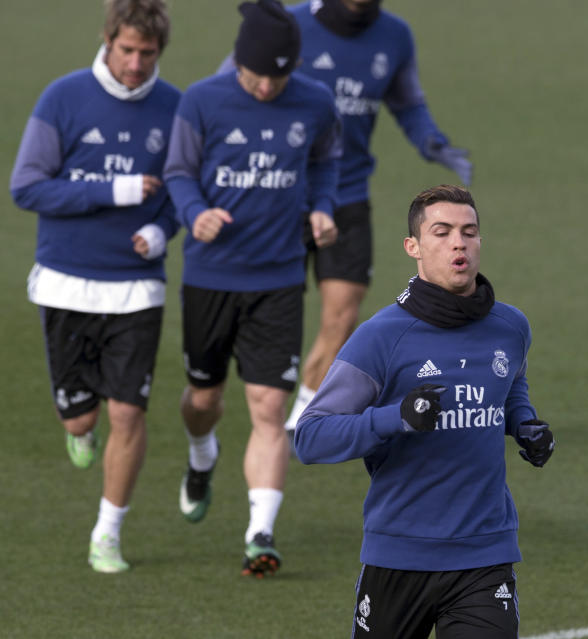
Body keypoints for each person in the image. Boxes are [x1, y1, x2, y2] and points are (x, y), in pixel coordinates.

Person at [294, 185, 554, 638]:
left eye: (469, 232)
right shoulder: (381, 337)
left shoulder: (511, 327)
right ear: (413, 247)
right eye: (443, 232)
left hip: (484, 555)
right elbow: (311, 437)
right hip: (399, 557)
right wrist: (396, 418)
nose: (459, 243)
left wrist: (524, 422)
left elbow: (511, 386)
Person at [163, 0, 341, 577]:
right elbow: (179, 172)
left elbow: (326, 163)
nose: (267, 87)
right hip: (211, 277)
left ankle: (259, 532)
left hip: (280, 279)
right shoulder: (202, 99)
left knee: (269, 406)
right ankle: (200, 455)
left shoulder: (315, 102)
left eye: (278, 76)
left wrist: (321, 207)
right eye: (257, 74)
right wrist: (195, 213)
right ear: (238, 60)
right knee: (204, 400)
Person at [9, 0, 179, 574]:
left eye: (147, 53)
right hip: (65, 286)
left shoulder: (174, 108)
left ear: (160, 51)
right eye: (127, 50)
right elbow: (27, 187)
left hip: (136, 290)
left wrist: (160, 229)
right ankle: (78, 428)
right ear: (107, 40)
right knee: (82, 421)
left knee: (128, 415)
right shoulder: (63, 97)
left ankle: (107, 532)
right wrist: (118, 191)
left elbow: (183, 193)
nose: (135, 63)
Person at [273, 0, 474, 435]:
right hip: (281, 196)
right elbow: (230, 93)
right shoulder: (286, 26)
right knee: (275, 317)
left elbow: (407, 104)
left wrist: (432, 142)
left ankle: (303, 416)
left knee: (342, 316)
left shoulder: (394, 36)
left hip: (347, 195)